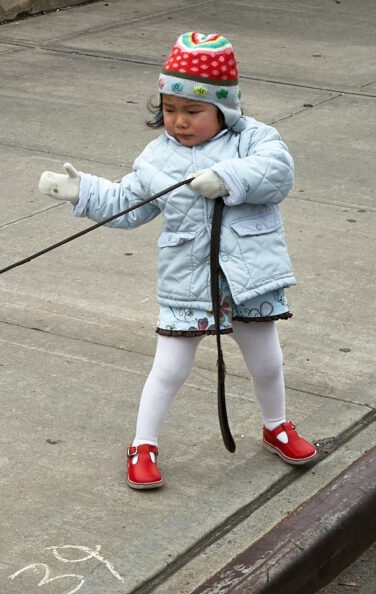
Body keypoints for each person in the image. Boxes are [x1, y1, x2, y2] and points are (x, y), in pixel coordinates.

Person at [37, 32, 316, 490]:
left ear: (223, 110)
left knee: (266, 361)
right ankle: (142, 444)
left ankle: (276, 425)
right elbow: (130, 203)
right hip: (188, 280)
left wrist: (226, 176)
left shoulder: (253, 140)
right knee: (170, 368)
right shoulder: (157, 157)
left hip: (249, 278)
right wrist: (84, 192)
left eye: (193, 111)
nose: (180, 122)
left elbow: (278, 172)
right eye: (170, 110)